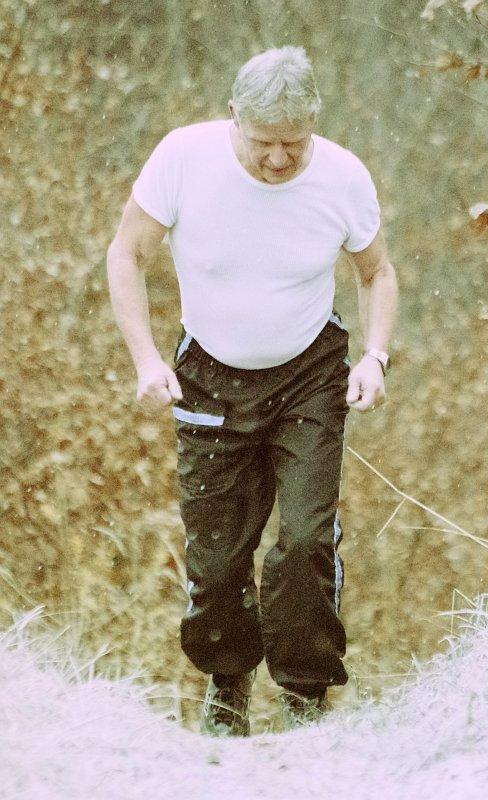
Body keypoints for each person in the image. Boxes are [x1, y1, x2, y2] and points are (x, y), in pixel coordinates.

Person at [106, 45, 398, 736]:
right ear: (233, 115)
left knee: (304, 540)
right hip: (208, 375)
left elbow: (376, 272)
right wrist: (146, 359)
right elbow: (127, 252)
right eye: (263, 141)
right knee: (217, 555)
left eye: (293, 142)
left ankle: (304, 697)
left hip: (308, 376)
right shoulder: (183, 158)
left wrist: (375, 357)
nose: (277, 158)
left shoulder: (343, 176)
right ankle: (226, 687)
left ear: (314, 122)